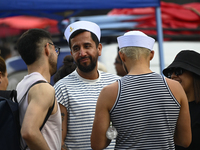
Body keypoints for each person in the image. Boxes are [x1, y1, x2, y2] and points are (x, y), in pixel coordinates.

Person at [91, 31, 192, 150]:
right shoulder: (175, 88)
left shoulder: (110, 92)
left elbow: (98, 145)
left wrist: (116, 130)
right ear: (151, 55)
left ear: (122, 56)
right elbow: (185, 141)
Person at [54, 20, 120, 150]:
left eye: (87, 46)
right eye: (76, 48)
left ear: (99, 49)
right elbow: (59, 141)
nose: (82, 53)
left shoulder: (117, 84)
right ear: (72, 53)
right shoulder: (62, 88)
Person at [16, 28, 62, 150]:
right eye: (55, 49)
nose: (57, 54)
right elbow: (28, 132)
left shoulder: (22, 85)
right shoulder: (43, 88)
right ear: (47, 48)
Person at [163, 50, 200, 150]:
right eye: (170, 72)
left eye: (179, 71)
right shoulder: (169, 109)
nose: (173, 76)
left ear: (195, 74)